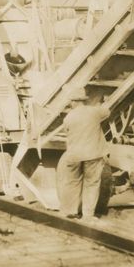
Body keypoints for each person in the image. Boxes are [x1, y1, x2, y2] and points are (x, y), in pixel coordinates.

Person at [55, 87, 111, 220]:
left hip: (74, 155)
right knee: (91, 183)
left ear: (73, 102)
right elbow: (107, 112)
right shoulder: (94, 112)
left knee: (72, 182)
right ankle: (88, 215)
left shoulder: (68, 117)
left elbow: (67, 132)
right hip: (93, 154)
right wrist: (105, 101)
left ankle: (70, 211)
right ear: (83, 100)